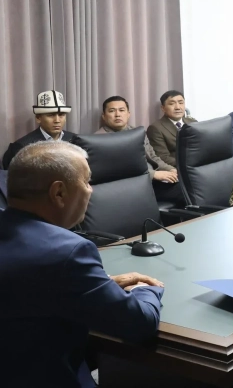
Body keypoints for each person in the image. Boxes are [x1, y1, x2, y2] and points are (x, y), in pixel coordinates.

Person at [0, 141, 164, 387]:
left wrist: (103, 284)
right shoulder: (67, 252)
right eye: (87, 182)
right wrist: (146, 289)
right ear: (59, 193)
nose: (91, 190)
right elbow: (139, 324)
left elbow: (24, 285)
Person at [96, 96, 182, 204]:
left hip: (154, 182)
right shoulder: (99, 139)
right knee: (184, 192)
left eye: (121, 110)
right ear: (104, 116)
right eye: (112, 111)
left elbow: (153, 157)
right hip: (132, 187)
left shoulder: (138, 132)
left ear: (128, 114)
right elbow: (117, 170)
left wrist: (170, 169)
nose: (117, 114)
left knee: (190, 185)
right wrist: (153, 174)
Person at [2, 90, 78, 170]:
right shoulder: (22, 147)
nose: (57, 120)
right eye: (50, 115)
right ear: (38, 118)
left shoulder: (75, 141)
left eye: (61, 115)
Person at [147, 90, 197, 168]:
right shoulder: (155, 128)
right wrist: (190, 163)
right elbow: (163, 157)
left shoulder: (193, 122)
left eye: (181, 103)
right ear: (163, 108)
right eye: (172, 104)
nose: (178, 107)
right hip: (179, 168)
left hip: (199, 165)